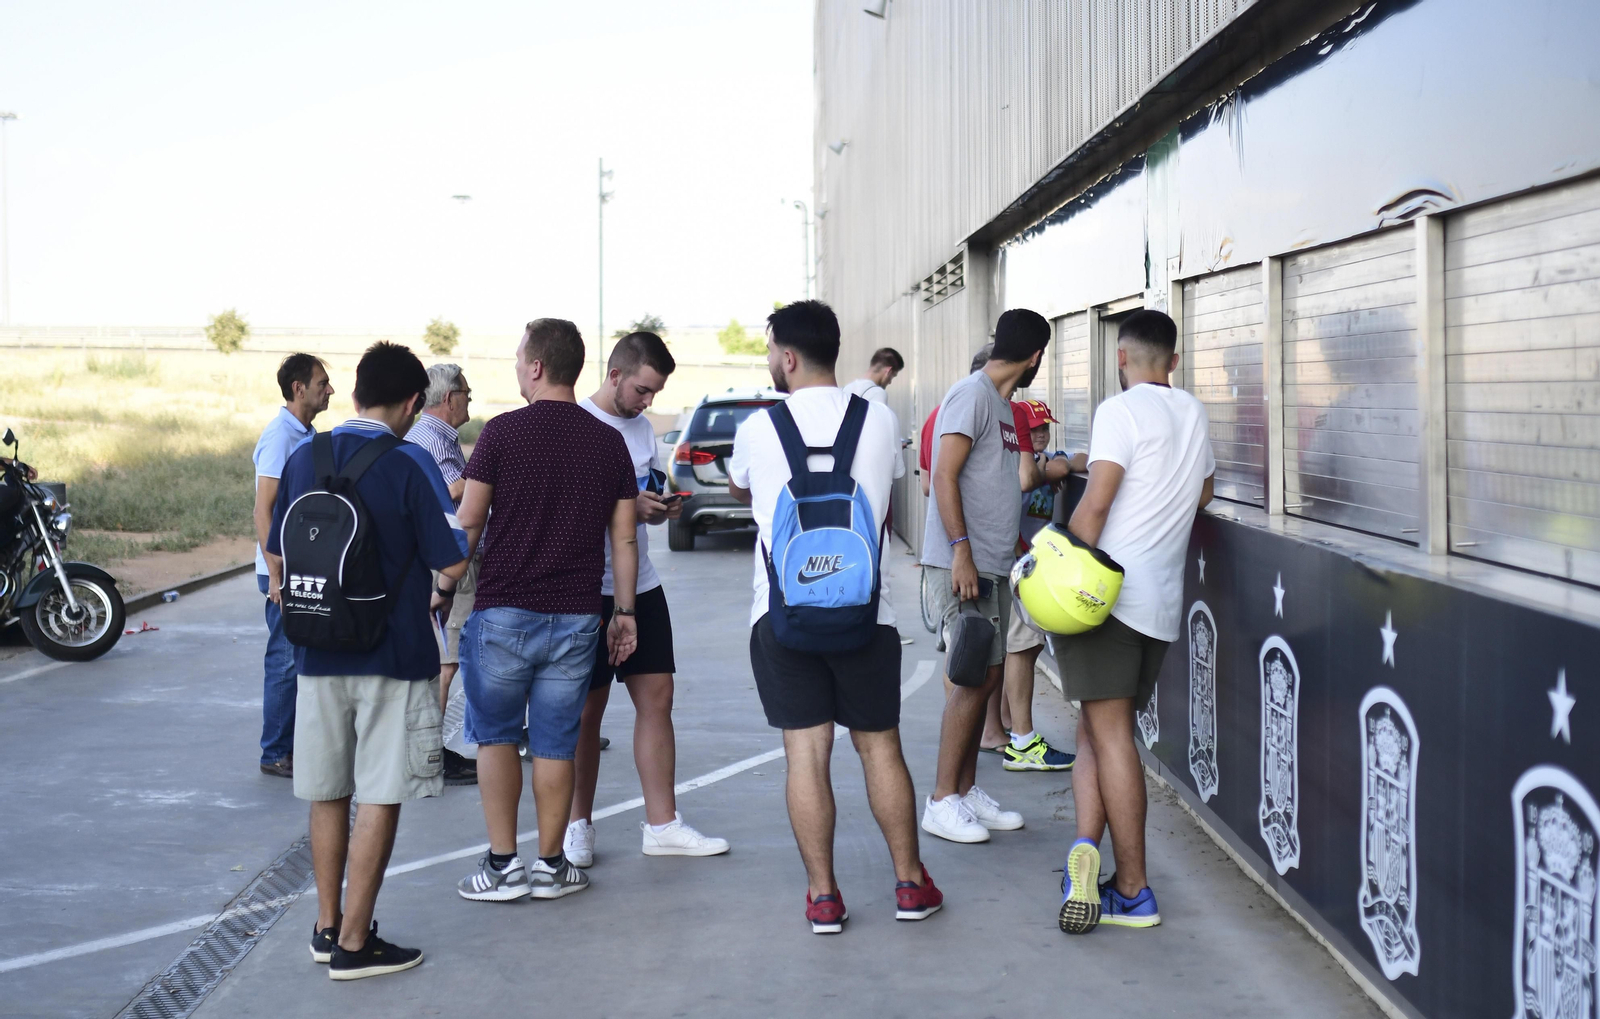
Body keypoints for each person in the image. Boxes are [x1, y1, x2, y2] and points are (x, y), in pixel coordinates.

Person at [729, 300, 942, 935]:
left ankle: (824, 897)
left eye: (771, 352)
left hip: (782, 616)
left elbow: (744, 488)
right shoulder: (877, 420)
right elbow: (887, 489)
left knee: (806, 753)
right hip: (866, 615)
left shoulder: (759, 429)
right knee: (880, 748)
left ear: (787, 357)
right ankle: (909, 884)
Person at [265, 341, 470, 979]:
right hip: (395, 655)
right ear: (413, 402)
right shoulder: (410, 462)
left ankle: (327, 929)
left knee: (327, 790)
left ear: (354, 393)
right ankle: (357, 943)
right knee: (381, 792)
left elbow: (278, 546)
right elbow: (452, 559)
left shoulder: (305, 456)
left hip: (317, 652)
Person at [449, 318, 640, 904]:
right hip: (578, 617)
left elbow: (470, 523)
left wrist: (441, 585)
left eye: (517, 357)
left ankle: (503, 867)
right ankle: (551, 866)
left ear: (535, 367)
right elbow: (625, 540)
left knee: (497, 740)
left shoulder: (502, 434)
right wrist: (624, 614)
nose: (515, 366)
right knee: (556, 743)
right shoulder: (609, 442)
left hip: (504, 611)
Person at [1057, 309, 1214, 935]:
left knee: (1111, 737)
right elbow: (1201, 493)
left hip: (1106, 600)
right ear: (1172, 361)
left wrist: (1054, 567)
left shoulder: (1117, 413)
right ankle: (1086, 853)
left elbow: (1094, 506)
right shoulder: (1192, 412)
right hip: (1159, 607)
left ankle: (1133, 888)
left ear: (1121, 359)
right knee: (1099, 729)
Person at [564, 331, 729, 866]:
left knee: (658, 698)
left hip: (641, 584)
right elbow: (567, 512)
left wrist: (660, 506)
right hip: (585, 586)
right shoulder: (577, 424)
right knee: (586, 713)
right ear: (614, 376)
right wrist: (628, 508)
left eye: (655, 393)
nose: (647, 402)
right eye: (641, 390)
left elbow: (641, 495)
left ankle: (662, 824)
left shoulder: (640, 430)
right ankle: (576, 827)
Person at [919, 308, 1051, 844]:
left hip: (995, 565)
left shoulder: (1002, 404)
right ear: (1036, 355)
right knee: (972, 678)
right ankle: (941, 800)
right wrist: (960, 553)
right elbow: (944, 475)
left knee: (990, 678)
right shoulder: (971, 395)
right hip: (965, 564)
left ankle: (967, 790)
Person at [252, 353, 333, 778]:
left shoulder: (306, 433)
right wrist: (277, 573)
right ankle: (275, 753)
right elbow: (263, 510)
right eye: (322, 382)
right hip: (280, 570)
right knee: (284, 659)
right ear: (298, 388)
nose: (330, 390)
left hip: (301, 565)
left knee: (300, 658)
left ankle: (293, 747)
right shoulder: (279, 437)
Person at [997, 399, 1082, 772]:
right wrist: (1046, 468)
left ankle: (1010, 725)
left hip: (1034, 567)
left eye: (1046, 428)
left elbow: (1075, 462)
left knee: (1024, 650)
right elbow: (1027, 478)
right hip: (1020, 565)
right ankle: (1022, 741)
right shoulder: (1017, 464)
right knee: (1023, 646)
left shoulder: (1046, 458)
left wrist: (1053, 464)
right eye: (1034, 430)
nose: (1042, 434)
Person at [406, 362, 478, 786]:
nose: (471, 398)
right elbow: (449, 494)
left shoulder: (433, 437)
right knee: (446, 662)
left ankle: (432, 750)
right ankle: (430, 753)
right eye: (466, 392)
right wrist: (486, 470)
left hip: (451, 558)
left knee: (448, 659)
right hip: (448, 560)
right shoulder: (428, 439)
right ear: (449, 398)